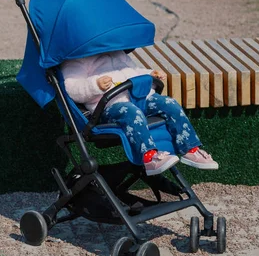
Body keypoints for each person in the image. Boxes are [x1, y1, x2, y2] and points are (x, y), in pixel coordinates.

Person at [61, 50, 219, 176]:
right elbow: (72, 88)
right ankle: (149, 157)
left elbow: (133, 71)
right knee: (131, 112)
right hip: (111, 106)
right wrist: (95, 85)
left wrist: (150, 74)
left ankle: (190, 149)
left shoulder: (117, 52)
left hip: (139, 98)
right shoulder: (76, 59)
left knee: (169, 103)